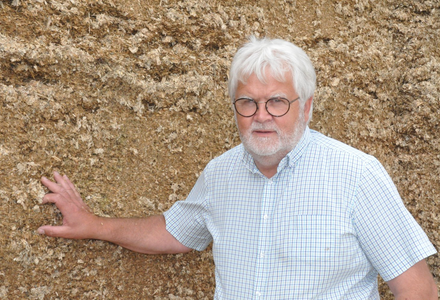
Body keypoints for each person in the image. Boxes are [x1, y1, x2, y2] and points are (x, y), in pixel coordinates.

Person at [38, 37, 438, 299]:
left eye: (277, 101)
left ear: (308, 107)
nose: (261, 116)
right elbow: (174, 231)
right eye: (248, 103)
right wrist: (93, 225)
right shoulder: (220, 173)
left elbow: (418, 290)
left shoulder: (357, 175)